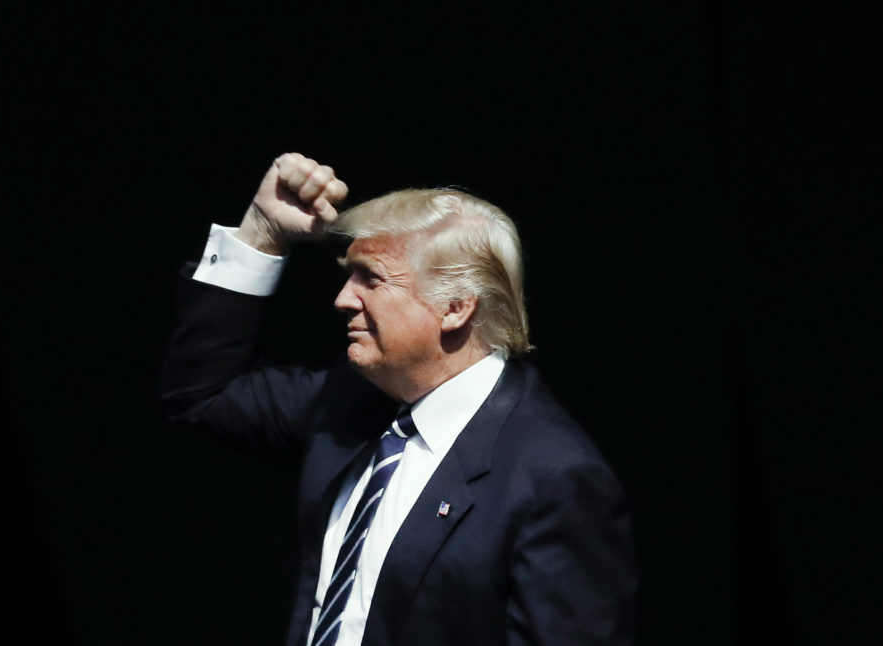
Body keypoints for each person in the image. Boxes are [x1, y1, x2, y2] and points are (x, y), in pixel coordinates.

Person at [159, 153, 636, 645]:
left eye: (372, 277)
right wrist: (261, 230)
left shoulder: (554, 477)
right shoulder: (351, 403)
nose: (344, 299)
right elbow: (201, 396)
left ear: (454, 308)